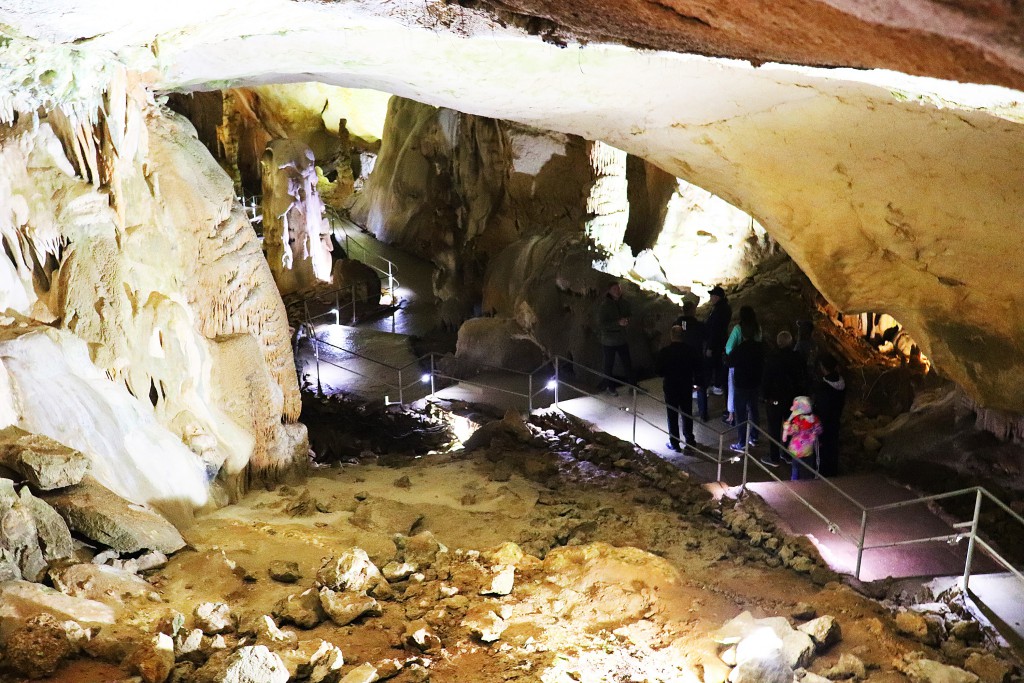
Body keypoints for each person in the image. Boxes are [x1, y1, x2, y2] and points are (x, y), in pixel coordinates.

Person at [760, 330, 807, 467]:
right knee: (790, 427)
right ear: (791, 343)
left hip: (775, 400)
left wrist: (765, 396)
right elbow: (802, 378)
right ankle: (787, 454)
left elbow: (766, 380)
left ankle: (774, 457)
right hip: (793, 400)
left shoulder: (773, 359)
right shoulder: (798, 358)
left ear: (778, 343)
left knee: (774, 428)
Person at [656, 325, 703, 451]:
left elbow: (659, 371)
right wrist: (697, 383)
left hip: (671, 386)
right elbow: (698, 368)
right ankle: (690, 440)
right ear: (683, 336)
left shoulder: (664, 352)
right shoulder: (690, 350)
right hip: (686, 385)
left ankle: (675, 443)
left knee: (672, 415)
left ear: (671, 336)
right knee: (687, 413)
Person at [727, 305, 764, 452]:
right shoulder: (759, 345)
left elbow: (729, 354)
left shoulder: (740, 347)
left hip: (741, 383)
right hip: (755, 382)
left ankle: (742, 442)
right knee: (754, 409)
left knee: (741, 412)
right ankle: (754, 437)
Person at [595, 281, 634, 395]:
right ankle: (610, 387)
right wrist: (618, 323)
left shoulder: (624, 303)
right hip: (609, 341)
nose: (617, 291)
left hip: (622, 339)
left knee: (627, 363)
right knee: (609, 365)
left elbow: (629, 314)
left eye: (618, 289)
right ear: (610, 291)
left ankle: (633, 385)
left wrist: (627, 320)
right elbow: (602, 324)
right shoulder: (604, 306)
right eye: (615, 289)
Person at [813, 352, 847, 477]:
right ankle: (833, 471)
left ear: (822, 367)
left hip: (823, 424)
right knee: (833, 446)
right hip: (835, 420)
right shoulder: (841, 383)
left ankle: (822, 473)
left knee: (822, 450)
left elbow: (821, 408)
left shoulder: (823, 387)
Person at [674, 300, 708, 421]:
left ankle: (685, 412)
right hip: (697, 358)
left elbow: (680, 334)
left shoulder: (681, 323)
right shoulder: (699, 325)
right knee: (700, 385)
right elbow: (705, 337)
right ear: (693, 311)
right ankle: (703, 414)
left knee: (684, 384)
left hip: (683, 358)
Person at [783, 395, 822, 480]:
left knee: (795, 467)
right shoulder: (814, 419)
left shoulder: (797, 419)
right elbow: (819, 429)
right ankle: (807, 482)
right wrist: (813, 434)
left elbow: (792, 431)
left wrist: (786, 428)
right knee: (807, 467)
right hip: (808, 449)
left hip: (796, 449)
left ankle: (794, 481)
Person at [704, 285, 731, 396]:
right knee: (718, 364)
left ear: (718, 297)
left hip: (715, 343)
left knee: (711, 364)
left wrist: (710, 346)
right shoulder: (723, 308)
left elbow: (715, 329)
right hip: (720, 341)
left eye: (712, 296)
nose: (711, 298)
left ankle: (710, 386)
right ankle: (717, 385)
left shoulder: (720, 310)